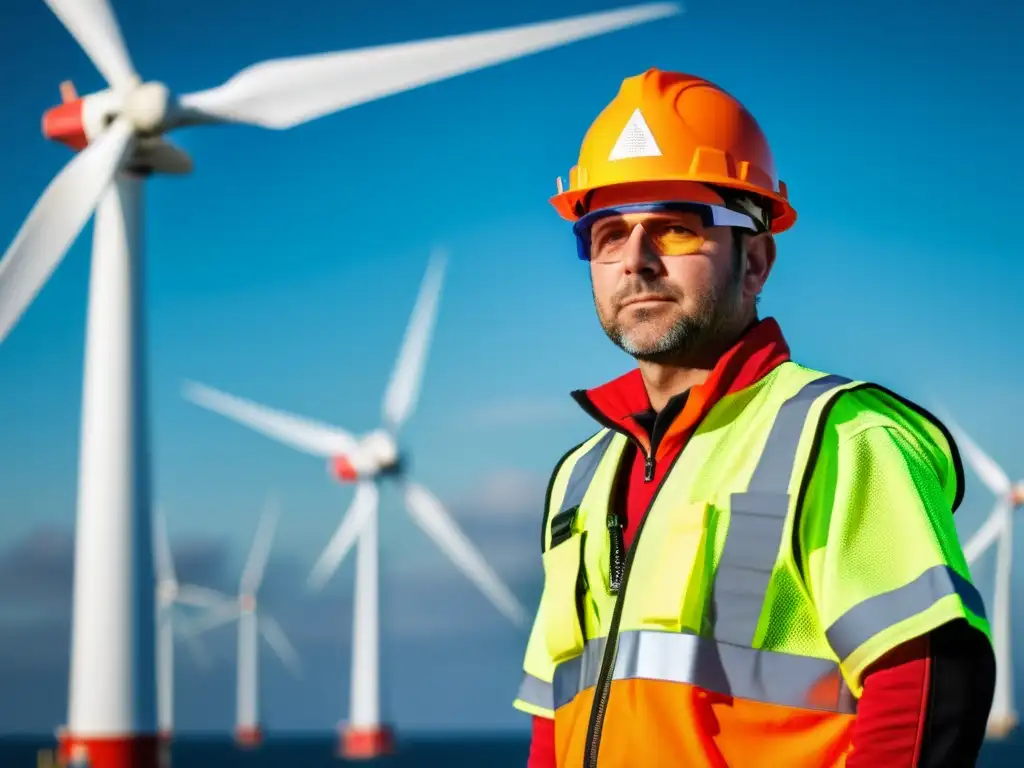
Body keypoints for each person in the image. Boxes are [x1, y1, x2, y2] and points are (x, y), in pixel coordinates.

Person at [512, 68, 996, 767]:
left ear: (756, 261)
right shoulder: (579, 480)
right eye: (608, 233)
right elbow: (555, 723)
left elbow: (926, 685)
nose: (636, 262)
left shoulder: (840, 435)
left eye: (675, 229)